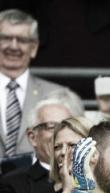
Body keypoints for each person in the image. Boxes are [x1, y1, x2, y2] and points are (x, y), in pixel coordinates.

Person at [0, 9, 66, 172]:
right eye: (6, 38)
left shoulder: (59, 96)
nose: (13, 46)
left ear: (34, 47)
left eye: (22, 40)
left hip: (39, 191)